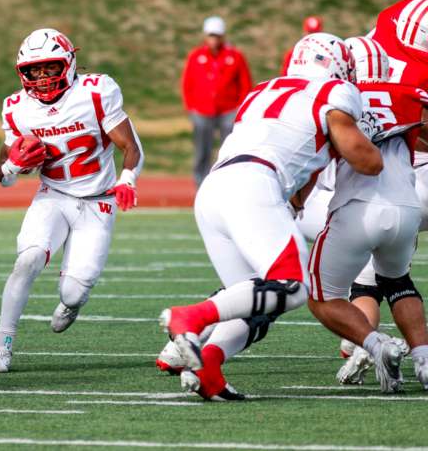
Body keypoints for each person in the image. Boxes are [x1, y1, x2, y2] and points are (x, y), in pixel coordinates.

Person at [160, 32, 382, 400]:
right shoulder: (334, 93)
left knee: (255, 303)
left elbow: (302, 156)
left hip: (215, 189)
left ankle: (210, 367)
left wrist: (296, 201)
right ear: (338, 66)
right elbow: (366, 161)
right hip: (254, 184)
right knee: (293, 286)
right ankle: (192, 318)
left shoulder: (262, 91)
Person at [0, 28, 143, 373]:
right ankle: (2, 345)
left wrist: (127, 179)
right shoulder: (17, 108)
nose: (41, 78)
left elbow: (130, 145)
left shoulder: (96, 92)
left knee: (72, 293)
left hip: (97, 201)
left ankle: (72, 304)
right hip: (53, 194)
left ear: (68, 64)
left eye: (49, 68)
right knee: (27, 261)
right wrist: (13, 165)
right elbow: (3, 177)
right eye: (33, 70)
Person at [307, 35, 428, 393]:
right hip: (406, 208)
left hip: (356, 209)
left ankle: (374, 345)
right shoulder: (408, 94)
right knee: (396, 280)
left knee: (320, 297)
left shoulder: (338, 97)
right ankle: (424, 359)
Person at [180, 16, 252, 187]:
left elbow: (245, 84)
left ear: (223, 36)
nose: (214, 39)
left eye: (217, 35)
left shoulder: (235, 56)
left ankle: (228, 184)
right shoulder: (196, 56)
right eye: (211, 35)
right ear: (206, 36)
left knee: (230, 150)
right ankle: (201, 185)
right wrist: (192, 108)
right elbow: (187, 83)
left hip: (228, 110)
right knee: (202, 151)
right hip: (202, 110)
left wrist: (239, 109)